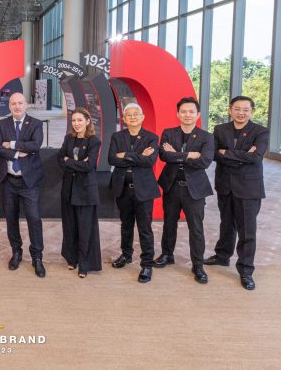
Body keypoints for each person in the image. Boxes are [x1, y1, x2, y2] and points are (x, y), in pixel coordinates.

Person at [204, 96, 269, 291]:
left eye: (246, 110)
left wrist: (227, 153)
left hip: (249, 188)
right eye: (237, 109)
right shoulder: (220, 129)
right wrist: (243, 156)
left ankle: (246, 270)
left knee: (247, 230)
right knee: (226, 224)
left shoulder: (260, 131)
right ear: (230, 110)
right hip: (225, 185)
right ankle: (222, 256)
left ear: (252, 111)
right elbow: (213, 154)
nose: (241, 113)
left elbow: (255, 157)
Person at [154, 97, 214, 284]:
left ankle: (198, 265)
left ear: (198, 115)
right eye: (183, 111)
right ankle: (167, 255)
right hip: (172, 186)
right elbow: (164, 156)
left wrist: (176, 155)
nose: (187, 115)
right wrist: (189, 155)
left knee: (196, 228)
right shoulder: (168, 133)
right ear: (178, 114)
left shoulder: (206, 137)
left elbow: (204, 162)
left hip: (194, 189)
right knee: (169, 223)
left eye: (191, 111)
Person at [0, 93, 46, 278]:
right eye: (13, 104)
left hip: (28, 182)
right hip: (8, 180)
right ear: (9, 106)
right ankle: (16, 252)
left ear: (26, 105)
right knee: (11, 218)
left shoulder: (36, 124)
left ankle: (37, 257)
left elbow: (35, 145)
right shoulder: (2, 124)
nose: (17, 107)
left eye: (20, 103)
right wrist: (15, 154)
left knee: (34, 218)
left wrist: (12, 144)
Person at [108, 102, 160, 283]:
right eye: (128, 115)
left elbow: (150, 161)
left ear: (142, 117)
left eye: (135, 114)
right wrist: (139, 156)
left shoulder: (151, 137)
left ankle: (147, 264)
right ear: (124, 119)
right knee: (126, 224)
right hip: (122, 187)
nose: (132, 117)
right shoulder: (117, 136)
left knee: (145, 227)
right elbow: (112, 159)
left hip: (143, 189)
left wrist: (125, 155)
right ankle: (126, 254)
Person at [58, 107, 102, 278]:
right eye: (74, 120)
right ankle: (72, 258)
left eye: (80, 120)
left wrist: (69, 161)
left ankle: (85, 264)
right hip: (68, 190)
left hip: (85, 191)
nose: (76, 124)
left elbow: (89, 166)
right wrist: (77, 163)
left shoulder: (94, 141)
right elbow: (59, 159)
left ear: (87, 121)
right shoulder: (68, 139)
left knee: (85, 229)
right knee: (70, 227)